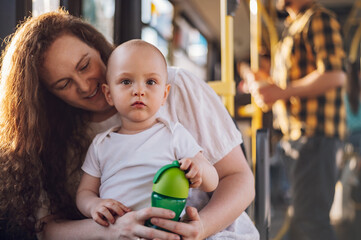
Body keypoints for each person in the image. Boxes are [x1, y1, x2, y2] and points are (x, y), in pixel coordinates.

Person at [0, 10, 258, 240]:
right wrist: (109, 230)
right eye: (64, 84)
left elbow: (237, 177)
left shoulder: (176, 91)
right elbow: (46, 228)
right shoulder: (58, 140)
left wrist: (200, 228)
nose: (85, 86)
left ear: (98, 48)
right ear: (48, 96)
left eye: (85, 65)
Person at [76, 40, 219, 227]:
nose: (139, 91)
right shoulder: (101, 144)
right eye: (126, 81)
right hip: (117, 232)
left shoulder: (174, 134)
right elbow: (84, 192)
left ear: (164, 95)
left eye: (151, 82)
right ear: (109, 94)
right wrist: (94, 205)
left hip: (165, 231)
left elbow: (213, 181)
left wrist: (198, 169)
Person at [247, 0, 346, 239]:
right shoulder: (292, 27)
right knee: (302, 220)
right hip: (297, 138)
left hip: (315, 135)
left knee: (311, 222)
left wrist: (281, 92)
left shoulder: (318, 19)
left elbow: (334, 75)